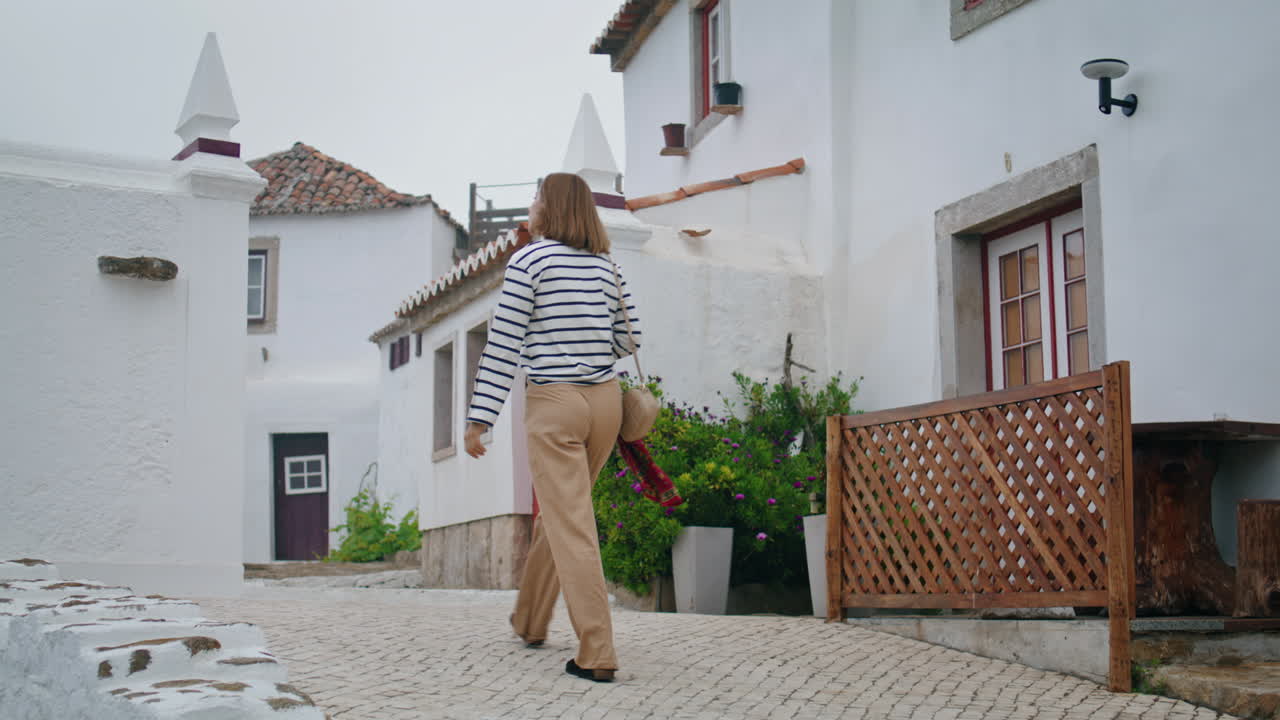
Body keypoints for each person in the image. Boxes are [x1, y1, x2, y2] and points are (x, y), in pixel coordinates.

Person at [463, 172, 641, 683]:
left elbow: (502, 347)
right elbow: (632, 339)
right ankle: (530, 619)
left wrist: (480, 420)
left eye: (537, 195)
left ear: (553, 207)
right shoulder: (607, 267)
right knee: (561, 517)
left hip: (555, 403)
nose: (531, 202)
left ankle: (597, 650)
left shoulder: (530, 260)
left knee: (571, 523)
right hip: (605, 404)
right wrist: (589, 356)